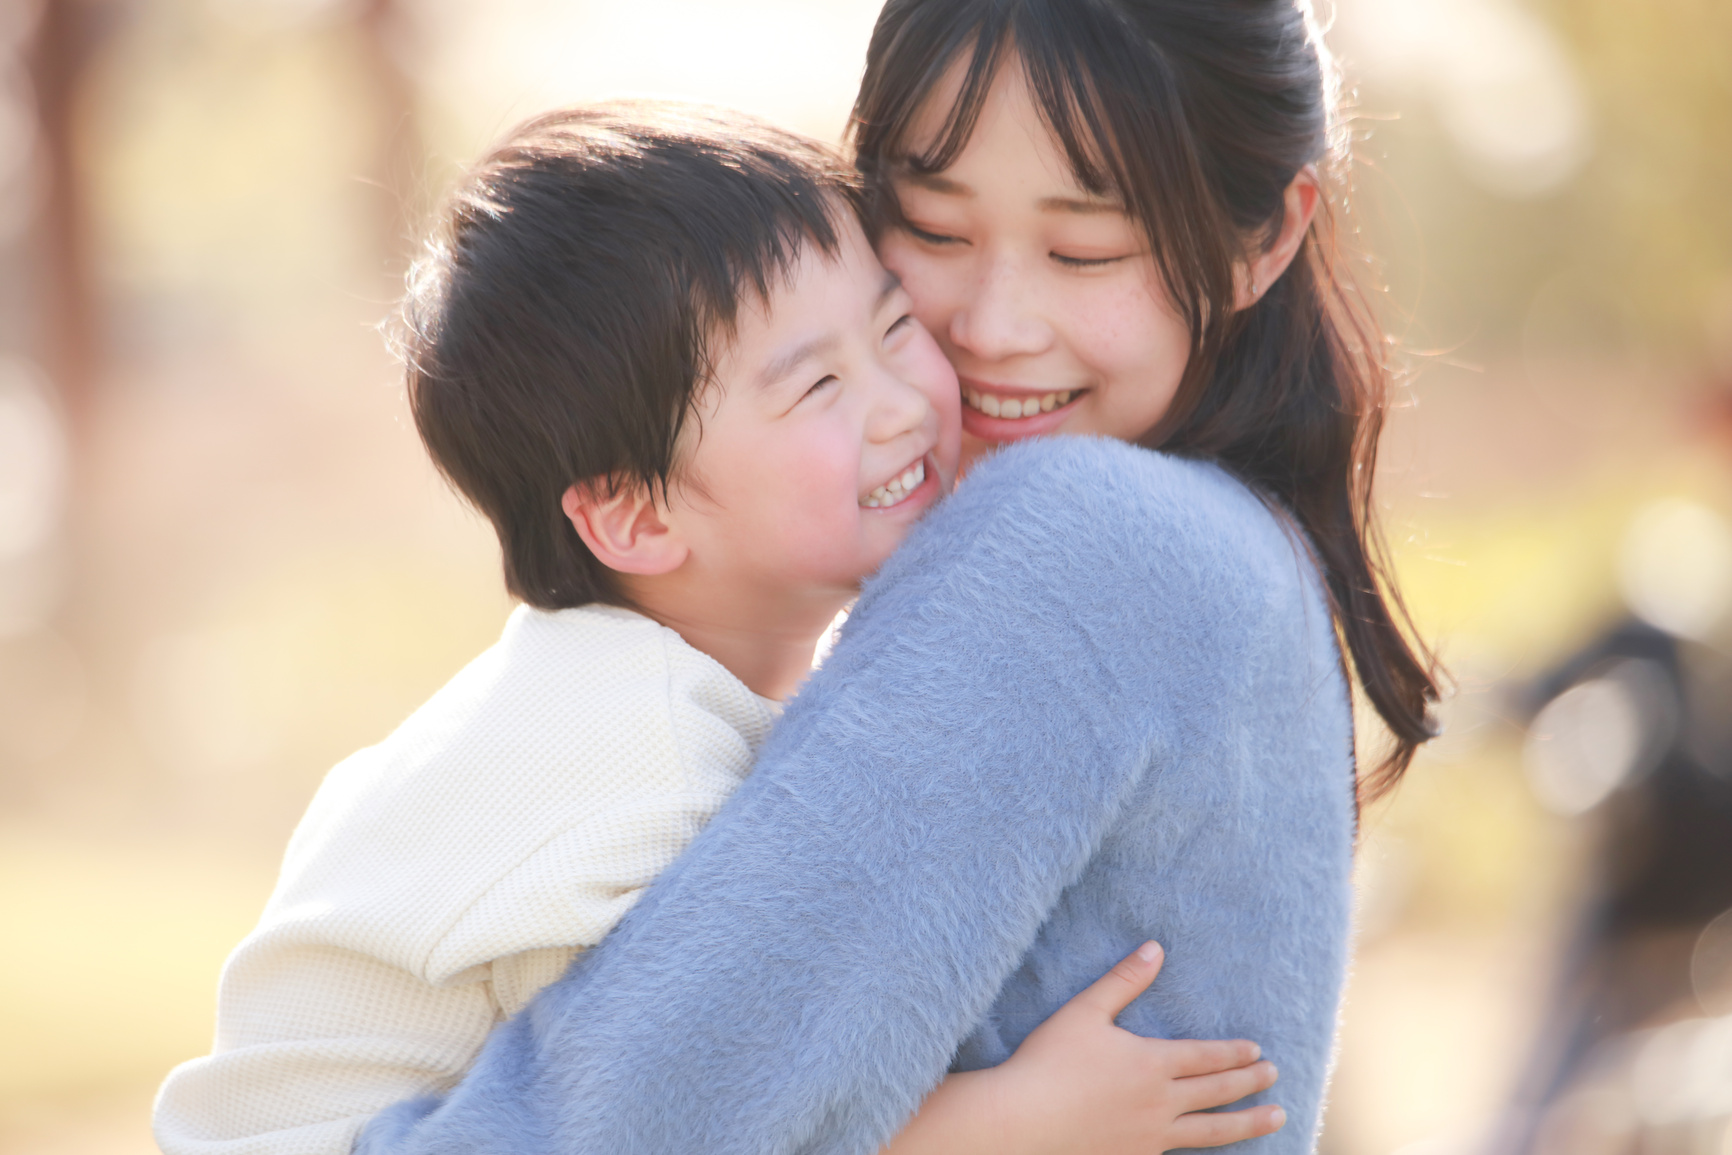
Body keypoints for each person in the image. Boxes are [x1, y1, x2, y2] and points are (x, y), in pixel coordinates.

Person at [357, 2, 1439, 1154]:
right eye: (931, 227)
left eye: (1085, 251)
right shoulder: (1243, 550)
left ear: (1264, 241)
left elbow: (625, 1125)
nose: (991, 324)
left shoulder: (1084, 542)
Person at [152, 105, 1284, 1155]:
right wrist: (1010, 1119)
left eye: (893, 328)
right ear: (634, 515)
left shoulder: (625, 690)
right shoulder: (629, 750)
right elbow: (687, 1115)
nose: (902, 401)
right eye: (816, 389)